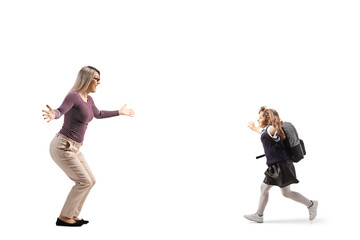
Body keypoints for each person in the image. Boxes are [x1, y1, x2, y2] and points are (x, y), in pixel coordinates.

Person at [42, 66, 135, 227]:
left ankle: (73, 215)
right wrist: (53, 114)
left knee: (90, 180)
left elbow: (98, 114)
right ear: (86, 79)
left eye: (99, 79)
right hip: (63, 146)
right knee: (83, 181)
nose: (99, 82)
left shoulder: (89, 100)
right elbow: (60, 110)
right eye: (96, 79)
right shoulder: (74, 96)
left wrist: (119, 112)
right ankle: (64, 218)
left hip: (75, 148)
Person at [244, 106, 317, 223]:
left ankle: (311, 204)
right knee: (265, 188)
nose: (258, 120)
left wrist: (275, 123)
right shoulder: (265, 130)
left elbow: (271, 129)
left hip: (282, 167)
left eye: (260, 117)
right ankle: (259, 215)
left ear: (268, 120)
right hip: (275, 167)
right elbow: (261, 132)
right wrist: (254, 128)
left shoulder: (271, 130)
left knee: (286, 193)